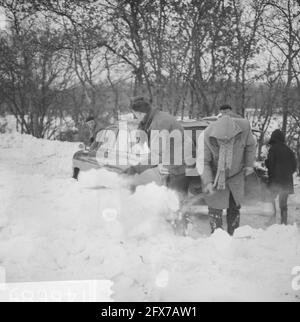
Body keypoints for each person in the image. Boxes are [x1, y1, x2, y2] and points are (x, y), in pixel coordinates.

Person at [196, 106, 256, 235]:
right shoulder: (206, 135)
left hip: (236, 174)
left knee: (234, 207)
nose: (225, 142)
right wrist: (208, 182)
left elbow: (251, 145)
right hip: (216, 175)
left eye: (229, 140)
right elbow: (203, 161)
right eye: (222, 141)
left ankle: (233, 235)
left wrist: (249, 164)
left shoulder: (244, 127)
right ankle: (216, 236)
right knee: (215, 208)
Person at [128, 96, 189, 195]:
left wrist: (135, 168)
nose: (135, 118)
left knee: (175, 203)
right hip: (173, 165)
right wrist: (142, 127)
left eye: (135, 115)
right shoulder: (155, 118)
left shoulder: (158, 124)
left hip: (177, 169)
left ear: (139, 113)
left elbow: (157, 155)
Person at [265, 129, 297, 225]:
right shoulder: (289, 150)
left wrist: (266, 163)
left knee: (270, 199)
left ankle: (272, 220)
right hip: (286, 181)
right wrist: (286, 173)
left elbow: (270, 165)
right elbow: (294, 166)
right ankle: (284, 223)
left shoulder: (273, 149)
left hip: (275, 180)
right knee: (283, 203)